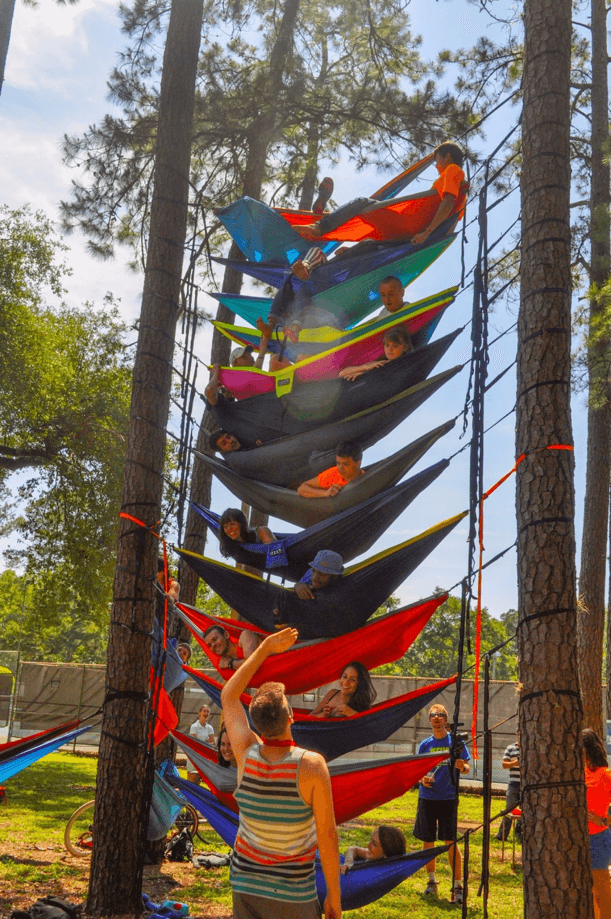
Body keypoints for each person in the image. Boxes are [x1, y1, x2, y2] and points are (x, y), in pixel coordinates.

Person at [221, 627, 341, 919]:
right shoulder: (311, 766)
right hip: (293, 894)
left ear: (256, 723)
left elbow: (228, 696)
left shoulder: (245, 754)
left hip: (245, 885)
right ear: (291, 717)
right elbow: (327, 835)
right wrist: (334, 899)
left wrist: (263, 649)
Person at [290, 142, 466, 280]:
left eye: (437, 160)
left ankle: (320, 227)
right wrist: (427, 240)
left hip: (409, 225)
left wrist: (427, 233)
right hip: (409, 235)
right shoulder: (463, 198)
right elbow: (448, 227)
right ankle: (322, 269)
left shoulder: (453, 170)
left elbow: (448, 201)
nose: (436, 166)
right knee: (367, 246)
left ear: (447, 157)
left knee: (360, 203)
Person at [413, 703, 470, 905]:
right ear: (429, 720)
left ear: (446, 720)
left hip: (448, 798)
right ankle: (431, 882)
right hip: (427, 798)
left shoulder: (455, 742)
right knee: (428, 840)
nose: (436, 718)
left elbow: (466, 767)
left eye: (440, 715)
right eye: (433, 715)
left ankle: (457, 885)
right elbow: (417, 771)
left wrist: (462, 766)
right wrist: (422, 779)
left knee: (450, 841)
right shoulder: (425, 745)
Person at [583, 728, 611, 918]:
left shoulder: (605, 775)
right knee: (586, 894)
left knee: (601, 893)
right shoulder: (578, 771)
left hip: (598, 838)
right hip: (576, 838)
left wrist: (603, 819)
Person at [338, 327, 412, 382]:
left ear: (405, 347)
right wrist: (364, 368)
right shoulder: (380, 364)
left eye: (395, 346)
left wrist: (365, 376)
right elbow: (342, 373)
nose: (390, 349)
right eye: (387, 345)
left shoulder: (408, 363)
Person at [297, 440, 363, 499]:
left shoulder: (366, 480)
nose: (340, 468)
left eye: (345, 464)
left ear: (357, 464)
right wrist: (326, 493)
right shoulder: (334, 473)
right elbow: (302, 489)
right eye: (338, 463)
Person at [311, 662, 376, 718]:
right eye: (344, 677)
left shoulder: (361, 704)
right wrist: (323, 714)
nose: (345, 682)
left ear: (359, 684)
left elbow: (368, 727)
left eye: (352, 680)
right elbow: (309, 718)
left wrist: (351, 713)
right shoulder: (332, 693)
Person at [341, 825, 406, 874]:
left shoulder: (384, 872)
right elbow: (353, 849)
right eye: (371, 841)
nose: (368, 845)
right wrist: (348, 862)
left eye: (374, 844)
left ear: (386, 853)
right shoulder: (373, 855)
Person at [496, 733, 521, 843]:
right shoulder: (511, 748)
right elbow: (504, 764)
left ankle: (520, 834)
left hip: (527, 784)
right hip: (514, 783)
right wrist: (515, 763)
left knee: (525, 811)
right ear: (518, 734)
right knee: (509, 809)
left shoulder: (531, 748)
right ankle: (502, 834)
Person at [186, 704, 215, 784]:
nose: (206, 713)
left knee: (200, 780)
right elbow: (194, 742)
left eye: (208, 712)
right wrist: (206, 742)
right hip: (193, 756)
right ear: (199, 713)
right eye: (204, 711)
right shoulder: (194, 726)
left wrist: (204, 742)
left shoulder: (210, 728)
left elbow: (212, 743)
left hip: (204, 758)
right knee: (191, 780)